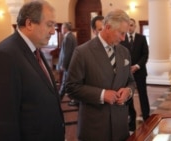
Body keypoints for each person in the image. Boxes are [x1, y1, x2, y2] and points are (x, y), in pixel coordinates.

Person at [0, 1, 65, 141]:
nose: (53, 31)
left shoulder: (35, 50)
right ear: (30, 24)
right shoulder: (5, 55)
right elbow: (2, 122)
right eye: (49, 24)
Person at [65, 9, 136, 141]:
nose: (123, 38)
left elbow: (131, 82)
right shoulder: (82, 52)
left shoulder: (124, 52)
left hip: (120, 126)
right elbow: (71, 87)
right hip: (95, 128)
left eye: (125, 34)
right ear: (108, 27)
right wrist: (102, 95)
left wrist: (128, 91)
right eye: (121, 33)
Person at [120, 18, 150, 131]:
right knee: (129, 96)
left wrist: (137, 66)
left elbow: (145, 55)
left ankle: (146, 117)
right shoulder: (122, 39)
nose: (130, 27)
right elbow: (121, 55)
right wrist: (128, 68)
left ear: (135, 26)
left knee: (143, 94)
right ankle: (131, 119)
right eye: (128, 25)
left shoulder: (141, 38)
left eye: (132, 25)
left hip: (140, 71)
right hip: (127, 73)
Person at [57, 22, 77, 103]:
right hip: (71, 63)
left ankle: (58, 98)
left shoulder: (68, 37)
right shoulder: (72, 36)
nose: (61, 30)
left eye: (62, 28)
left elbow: (67, 53)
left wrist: (64, 65)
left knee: (65, 82)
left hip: (68, 64)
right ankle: (74, 99)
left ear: (65, 29)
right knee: (68, 82)